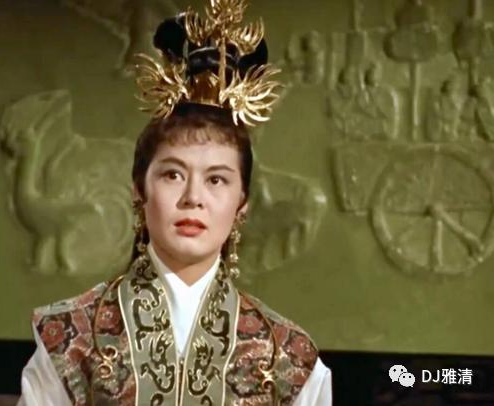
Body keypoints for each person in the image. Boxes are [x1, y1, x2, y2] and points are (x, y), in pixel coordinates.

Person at [17, 1, 332, 404]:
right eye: (173, 175)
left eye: (216, 180)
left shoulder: (288, 359)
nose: (193, 198)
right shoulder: (71, 343)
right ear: (138, 189)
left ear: (242, 204)